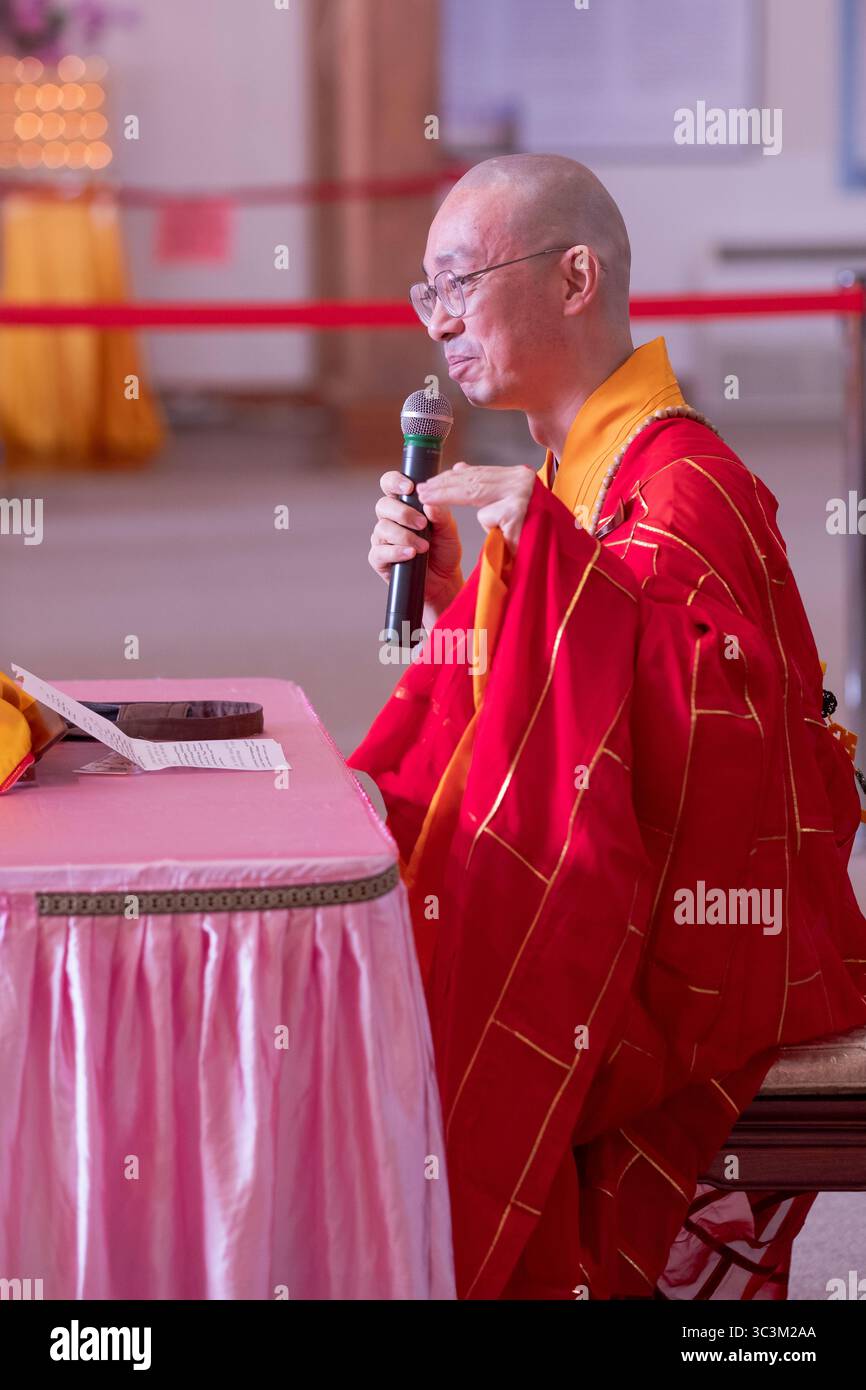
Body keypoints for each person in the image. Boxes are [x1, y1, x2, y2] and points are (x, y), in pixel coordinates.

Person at [350, 154, 866, 1300]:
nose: (437, 321)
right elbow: (571, 715)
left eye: (458, 282)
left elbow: (709, 751)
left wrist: (542, 568)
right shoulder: (575, 464)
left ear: (574, 276)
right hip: (648, 880)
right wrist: (462, 600)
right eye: (423, 291)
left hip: (721, 929)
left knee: (456, 1012)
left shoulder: (685, 486)